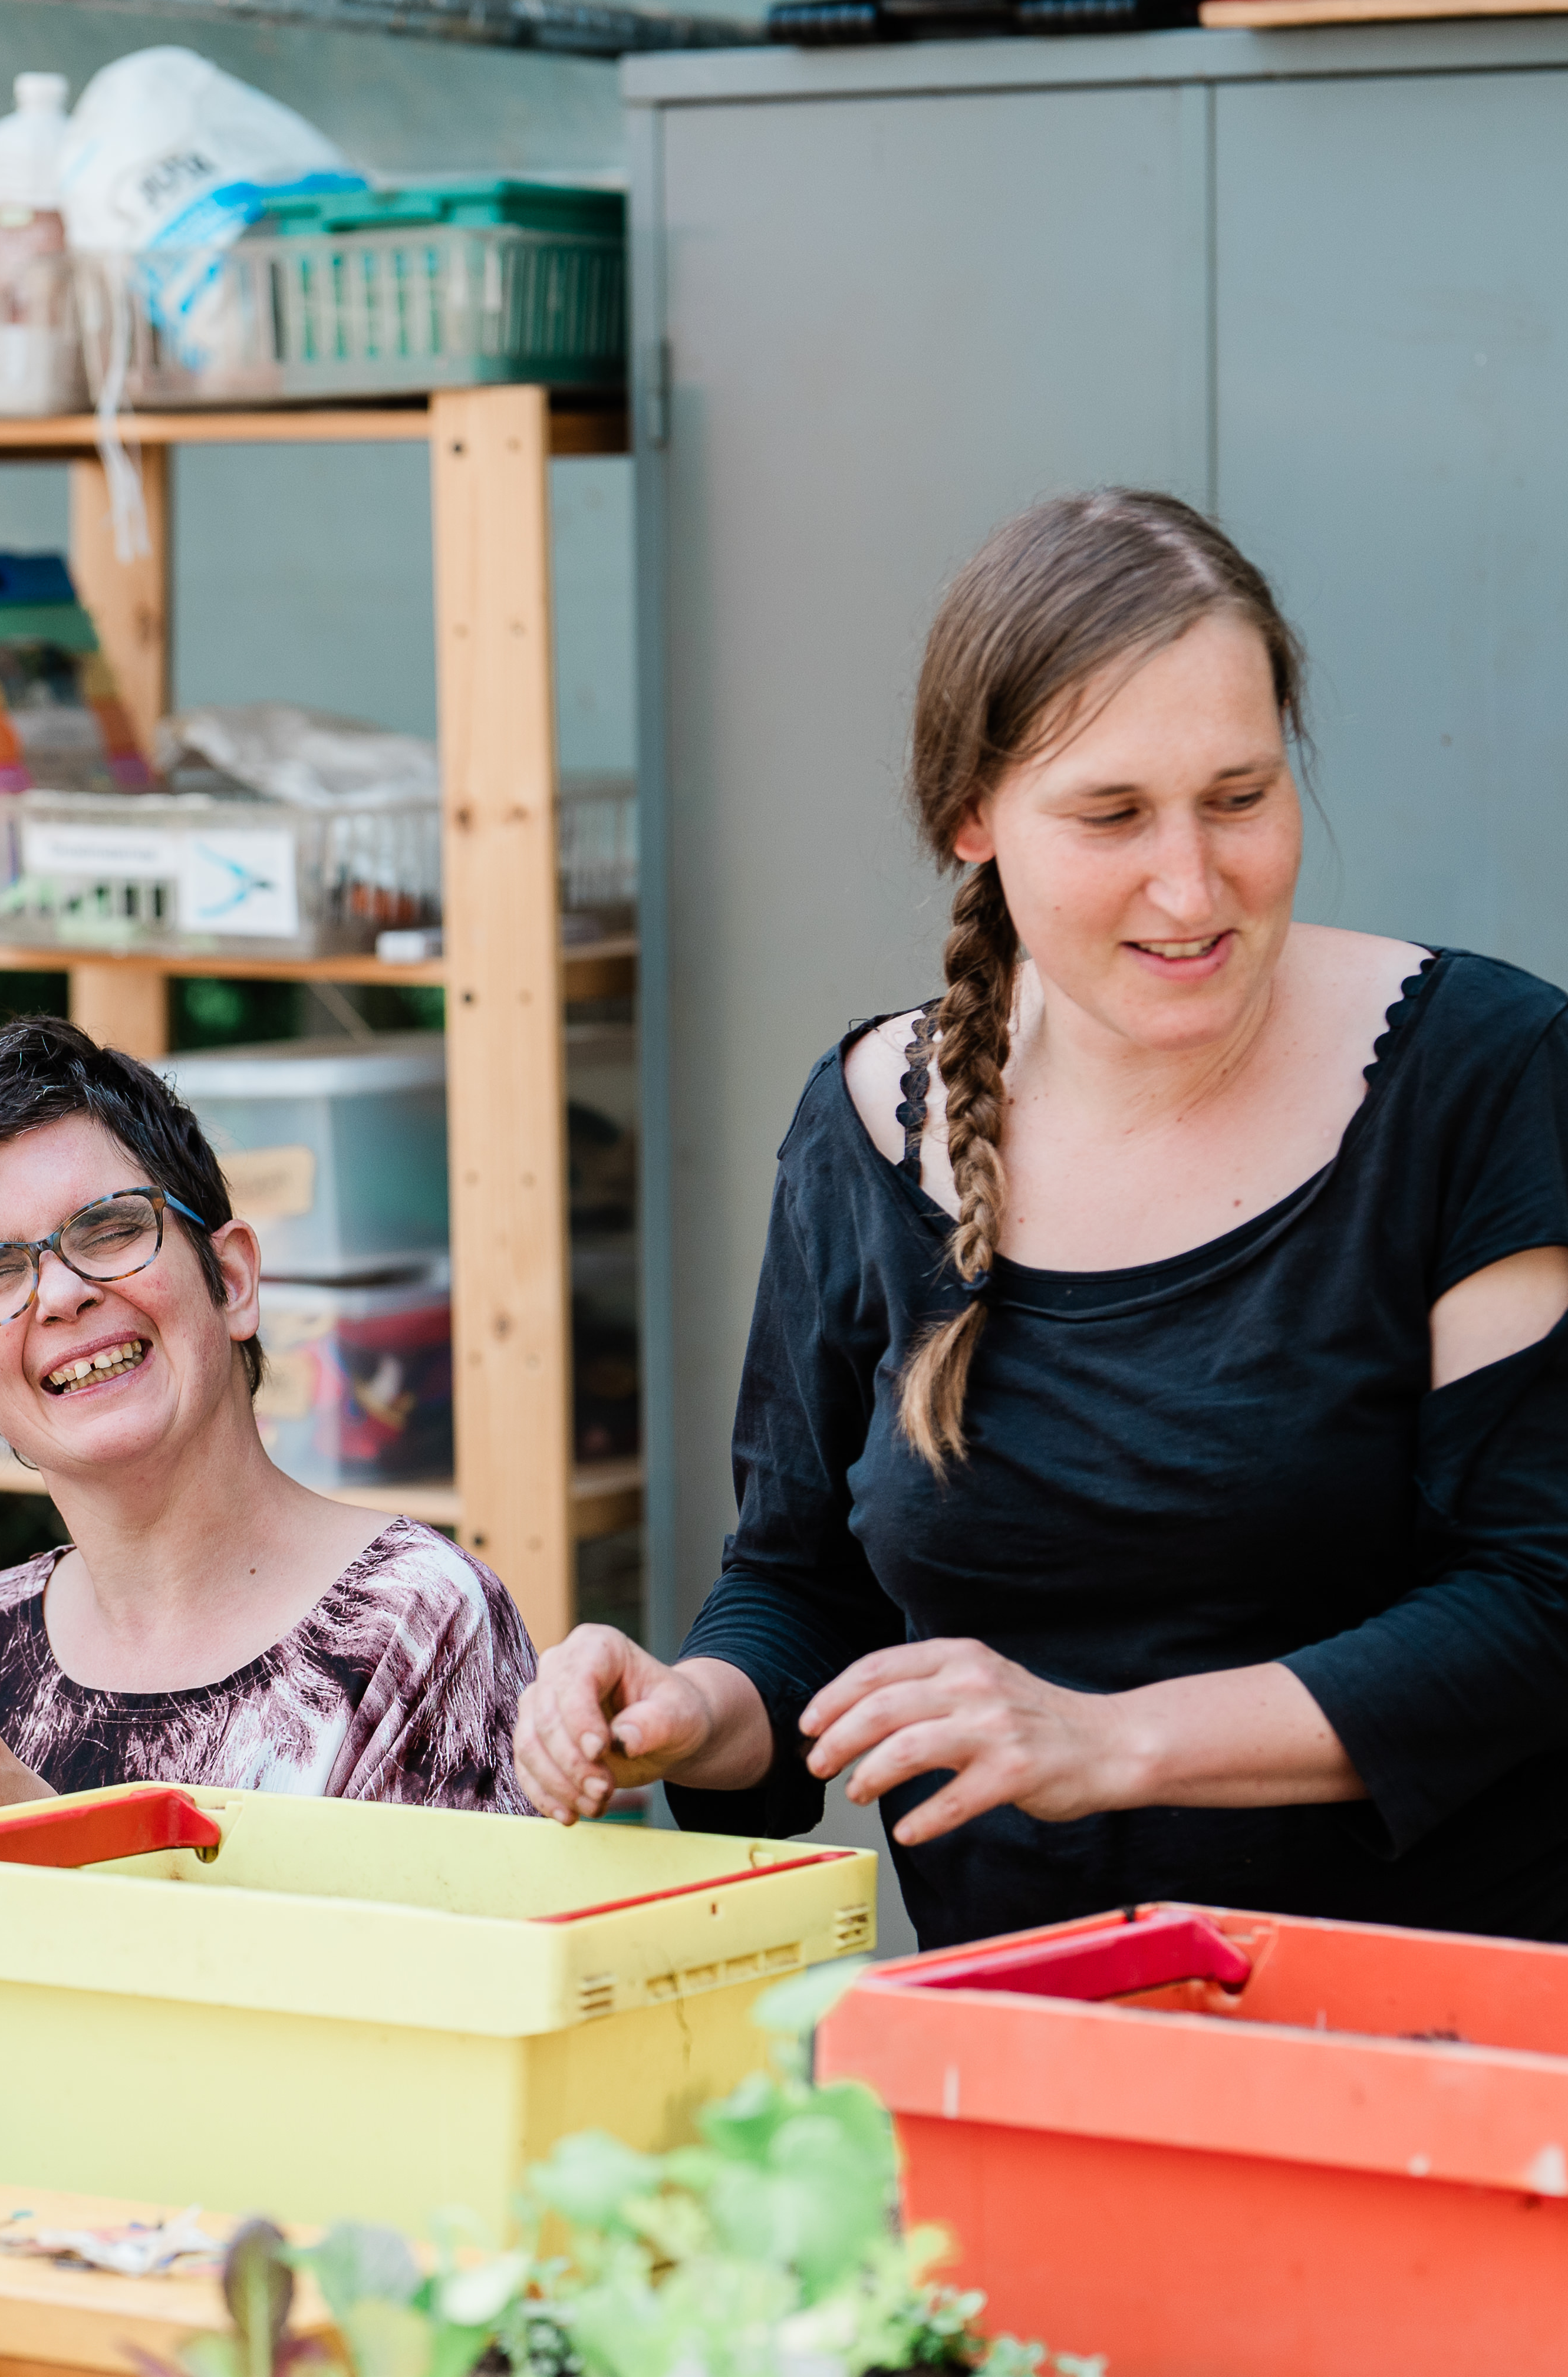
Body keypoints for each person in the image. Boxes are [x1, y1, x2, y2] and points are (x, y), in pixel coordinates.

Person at [518, 489, 1568, 1948]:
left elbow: (1535, 1606)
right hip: (1027, 2043)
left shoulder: (1483, 1073)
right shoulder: (866, 1125)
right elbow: (798, 1583)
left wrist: (1105, 1739)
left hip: (1441, 2040)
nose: (1193, 884)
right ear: (972, 817)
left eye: (1242, 796)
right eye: (1112, 815)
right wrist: (689, 1711)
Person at [0, 1014, 535, 1991]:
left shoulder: (418, 1621)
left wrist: (59, 1851)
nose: (63, 1293)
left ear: (234, 1280)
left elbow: (424, 2040)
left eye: (111, 1228)